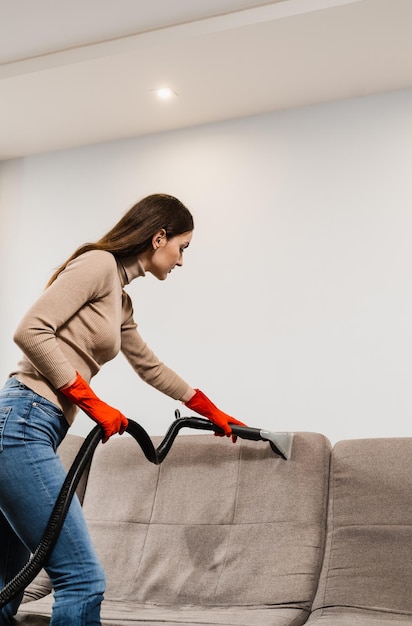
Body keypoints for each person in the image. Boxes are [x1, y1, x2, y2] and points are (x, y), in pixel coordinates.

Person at [0, 193, 245, 626]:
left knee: (8, 581)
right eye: (182, 248)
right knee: (81, 578)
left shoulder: (121, 300)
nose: (182, 261)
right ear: (159, 237)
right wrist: (90, 401)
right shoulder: (97, 265)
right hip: (22, 422)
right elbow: (30, 330)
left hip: (31, 426)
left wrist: (210, 410)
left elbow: (150, 367)